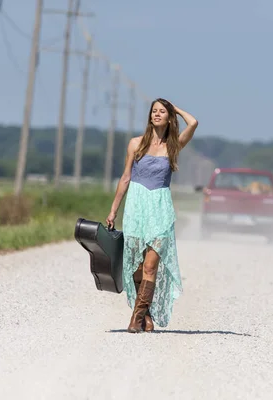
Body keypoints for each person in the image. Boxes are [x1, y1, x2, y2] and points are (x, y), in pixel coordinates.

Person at [106, 98, 198, 333]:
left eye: (162, 112)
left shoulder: (173, 146)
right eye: (154, 111)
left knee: (150, 265)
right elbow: (125, 177)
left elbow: (194, 122)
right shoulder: (136, 144)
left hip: (160, 209)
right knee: (137, 266)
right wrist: (113, 210)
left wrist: (174, 107)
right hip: (136, 207)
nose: (157, 114)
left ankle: (135, 318)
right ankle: (145, 314)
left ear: (169, 117)